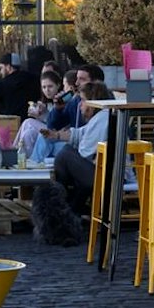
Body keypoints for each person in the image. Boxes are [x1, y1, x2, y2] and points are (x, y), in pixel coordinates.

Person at [51, 82, 116, 215]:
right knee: (67, 154)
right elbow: (80, 133)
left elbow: (85, 151)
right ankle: (71, 208)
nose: (80, 105)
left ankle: (62, 205)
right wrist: (56, 135)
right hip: (104, 170)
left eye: (83, 100)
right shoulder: (100, 117)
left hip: (109, 175)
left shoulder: (102, 118)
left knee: (65, 155)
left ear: (92, 102)